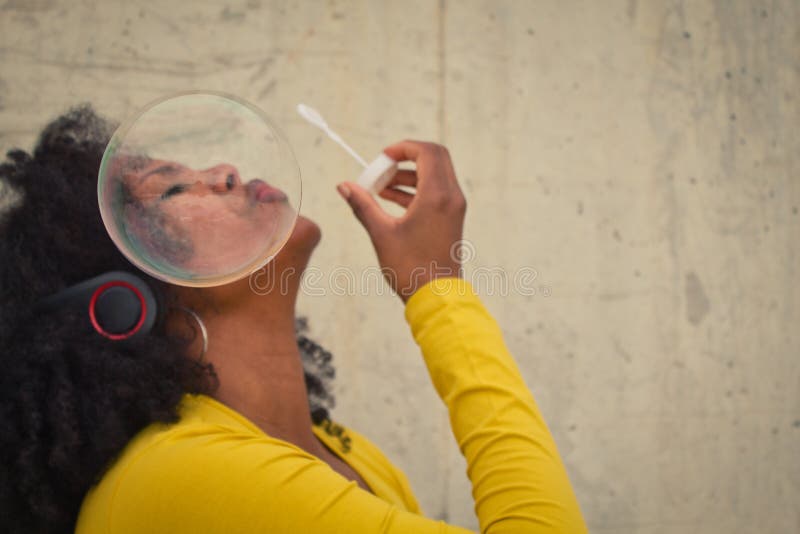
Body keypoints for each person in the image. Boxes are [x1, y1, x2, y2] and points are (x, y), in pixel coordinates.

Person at [0, 106, 588, 533]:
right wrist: (436, 289)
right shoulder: (183, 474)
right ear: (123, 297)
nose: (226, 170)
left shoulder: (349, 452)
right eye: (174, 188)